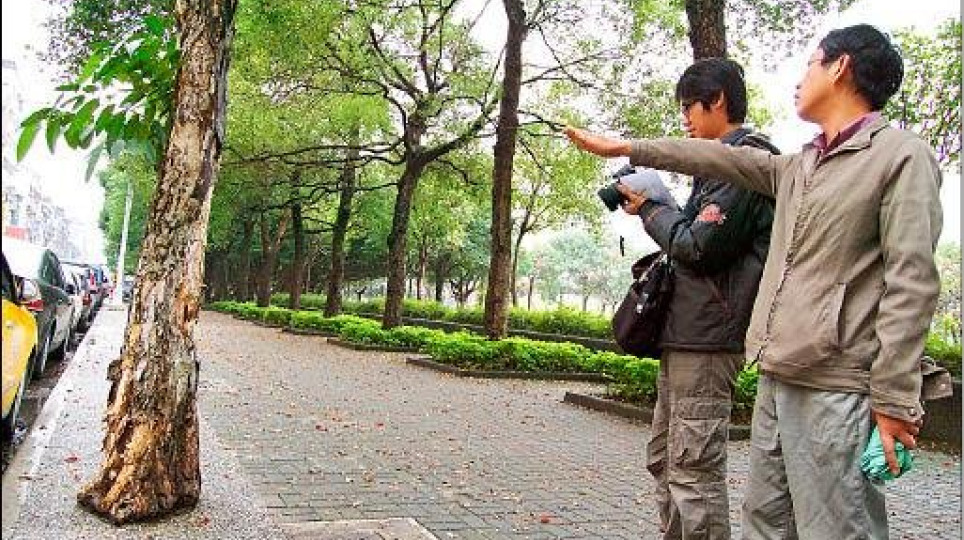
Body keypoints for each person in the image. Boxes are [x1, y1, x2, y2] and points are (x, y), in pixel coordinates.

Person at [566, 24, 941, 540]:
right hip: (777, 370)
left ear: (840, 67)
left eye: (811, 63)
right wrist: (629, 148)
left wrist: (895, 400)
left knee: (834, 528)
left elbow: (912, 284)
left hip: (836, 381)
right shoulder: (800, 164)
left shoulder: (900, 156)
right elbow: (722, 156)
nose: (800, 79)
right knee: (764, 522)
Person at [615, 58, 778, 540]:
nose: (685, 117)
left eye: (689, 106)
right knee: (666, 460)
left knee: (693, 471)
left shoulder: (745, 164)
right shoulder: (716, 169)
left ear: (718, 100)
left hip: (709, 339)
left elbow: (697, 246)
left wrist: (651, 209)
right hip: (687, 333)